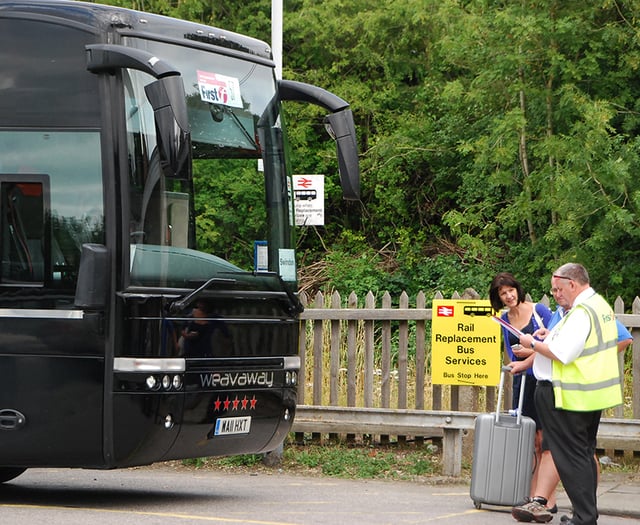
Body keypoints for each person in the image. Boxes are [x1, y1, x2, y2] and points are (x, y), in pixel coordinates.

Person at [510, 275, 632, 523]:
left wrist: (531, 342)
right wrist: (548, 335)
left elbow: (563, 352)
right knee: (579, 452)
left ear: (573, 285)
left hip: (569, 390)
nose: (555, 294)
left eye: (558, 289)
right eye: (553, 290)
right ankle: (576, 513)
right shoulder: (594, 307)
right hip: (581, 391)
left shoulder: (581, 312)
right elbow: (569, 343)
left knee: (569, 455)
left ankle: (583, 517)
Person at [489, 272, 553, 506]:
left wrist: (531, 351)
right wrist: (526, 353)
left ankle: (545, 495)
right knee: (531, 438)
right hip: (522, 382)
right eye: (502, 293)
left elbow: (554, 344)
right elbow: (511, 351)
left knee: (545, 438)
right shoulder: (504, 320)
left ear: (517, 289)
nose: (508, 296)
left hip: (544, 378)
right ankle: (532, 492)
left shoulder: (540, 312)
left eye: (510, 290)